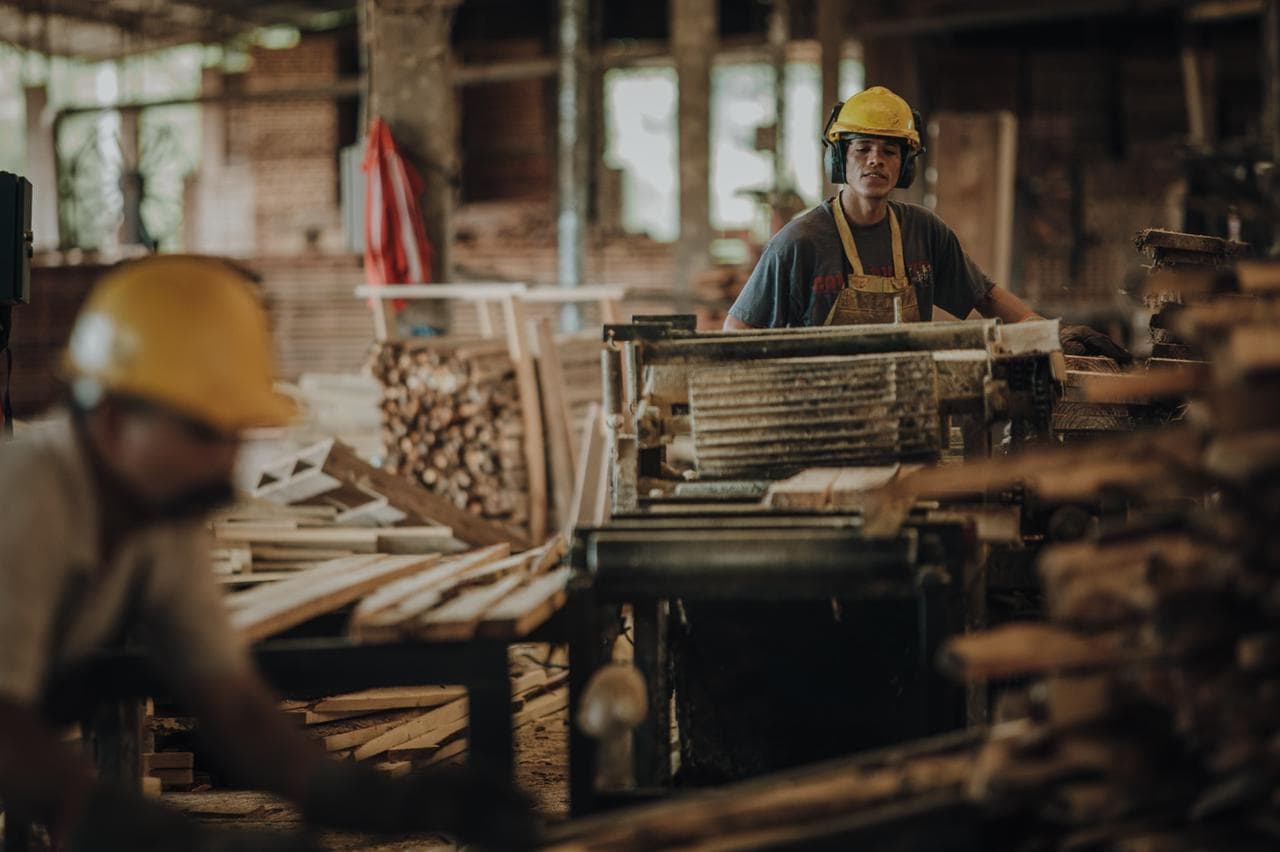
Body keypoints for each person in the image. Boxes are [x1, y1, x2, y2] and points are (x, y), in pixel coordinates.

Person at [0, 255, 536, 851]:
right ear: (111, 418)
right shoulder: (25, 498)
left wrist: (376, 798)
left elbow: (233, 706)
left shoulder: (158, 521)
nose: (226, 460)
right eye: (206, 433)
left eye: (238, 434)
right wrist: (169, 838)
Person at [725, 85, 1131, 363]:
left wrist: (1048, 333)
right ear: (839, 159)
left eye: (889, 151)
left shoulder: (924, 231)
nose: (875, 159)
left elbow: (986, 296)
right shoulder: (799, 242)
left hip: (907, 408)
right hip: (819, 415)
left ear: (905, 166)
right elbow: (737, 330)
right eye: (862, 148)